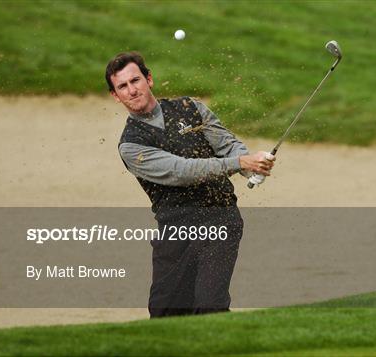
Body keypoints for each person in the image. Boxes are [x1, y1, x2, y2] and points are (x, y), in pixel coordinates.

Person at [105, 51, 275, 318]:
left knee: (210, 307)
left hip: (219, 219)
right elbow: (182, 171)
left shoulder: (191, 108)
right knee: (165, 314)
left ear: (149, 79)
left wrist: (253, 166)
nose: (131, 90)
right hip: (176, 229)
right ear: (116, 96)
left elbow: (227, 144)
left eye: (135, 80)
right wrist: (241, 163)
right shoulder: (132, 144)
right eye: (122, 86)